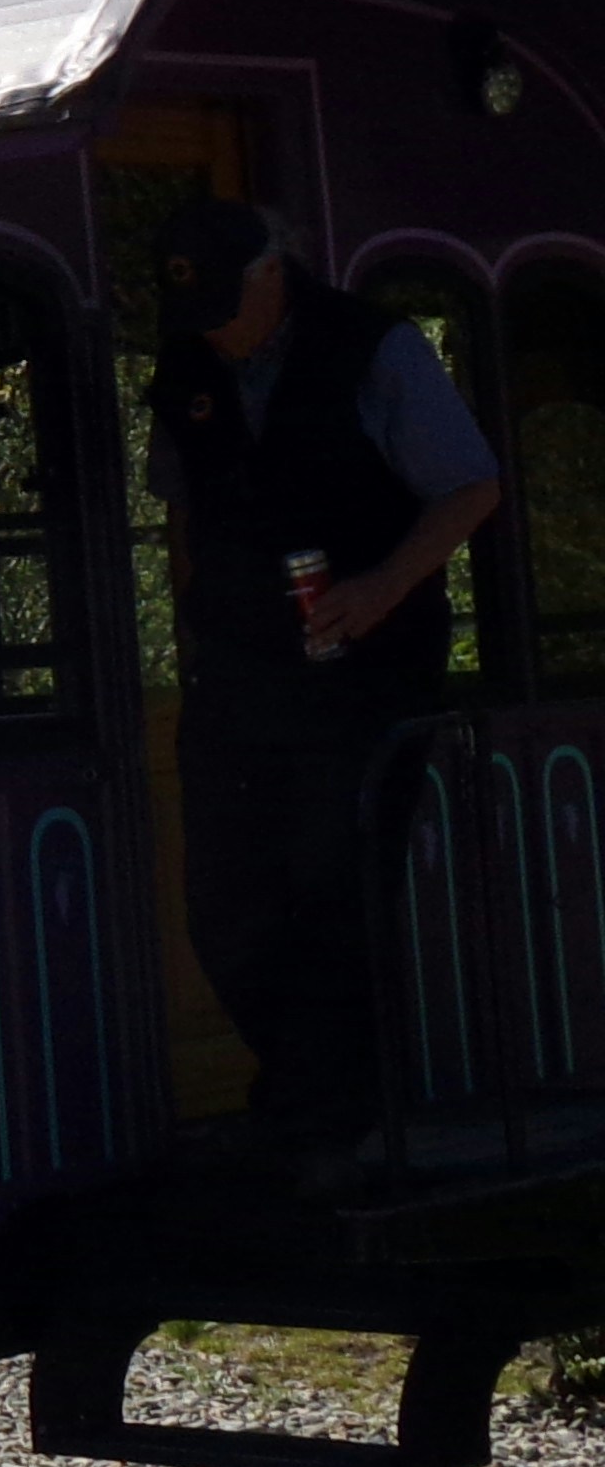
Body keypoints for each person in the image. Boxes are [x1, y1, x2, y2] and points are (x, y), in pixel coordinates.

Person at [147, 198, 504, 1153]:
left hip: (365, 677)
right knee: (222, 908)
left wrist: (384, 587)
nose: (214, 330)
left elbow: (473, 485)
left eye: (228, 304)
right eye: (198, 315)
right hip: (236, 678)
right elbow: (182, 513)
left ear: (275, 274)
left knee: (333, 890)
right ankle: (313, 1102)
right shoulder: (187, 364)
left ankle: (336, 1128)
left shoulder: (374, 348)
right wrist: (194, 633)